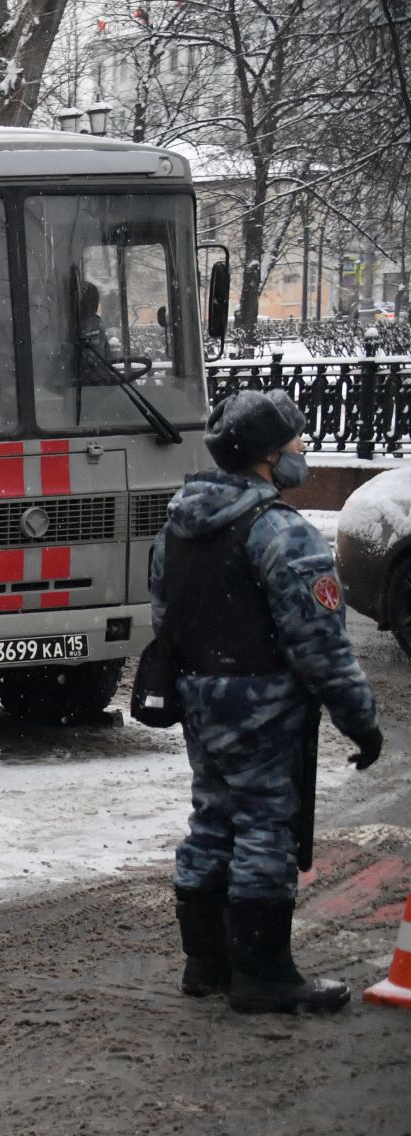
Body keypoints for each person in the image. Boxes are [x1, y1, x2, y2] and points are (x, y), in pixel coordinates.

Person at [149, 389, 382, 1015]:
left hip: (201, 694)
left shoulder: (178, 524)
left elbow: (165, 614)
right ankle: (264, 974)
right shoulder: (281, 531)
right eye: (297, 441)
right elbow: (321, 647)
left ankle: (206, 964)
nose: (304, 451)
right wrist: (360, 722)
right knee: (265, 826)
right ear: (267, 456)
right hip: (265, 702)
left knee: (213, 817)